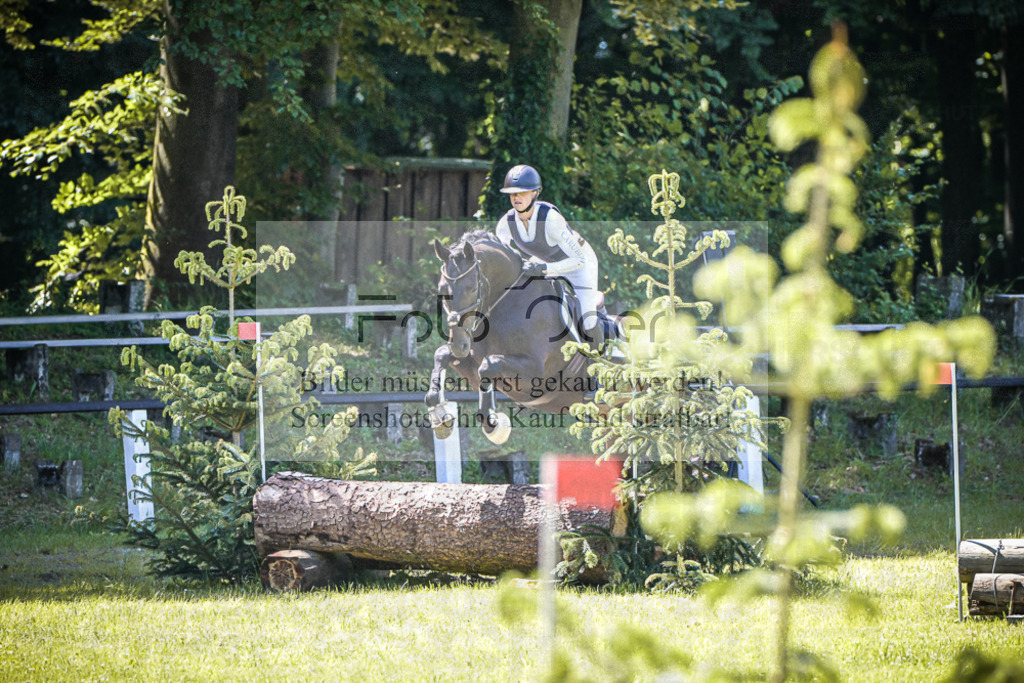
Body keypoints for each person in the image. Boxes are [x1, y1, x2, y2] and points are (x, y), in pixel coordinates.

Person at [494, 164, 606, 346]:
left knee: (588, 320)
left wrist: (544, 269)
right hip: (545, 262)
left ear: (535, 193)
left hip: (580, 263)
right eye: (512, 193)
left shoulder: (551, 219)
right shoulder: (505, 224)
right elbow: (503, 259)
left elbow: (579, 259)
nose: (516, 197)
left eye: (522, 192)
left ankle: (602, 355)